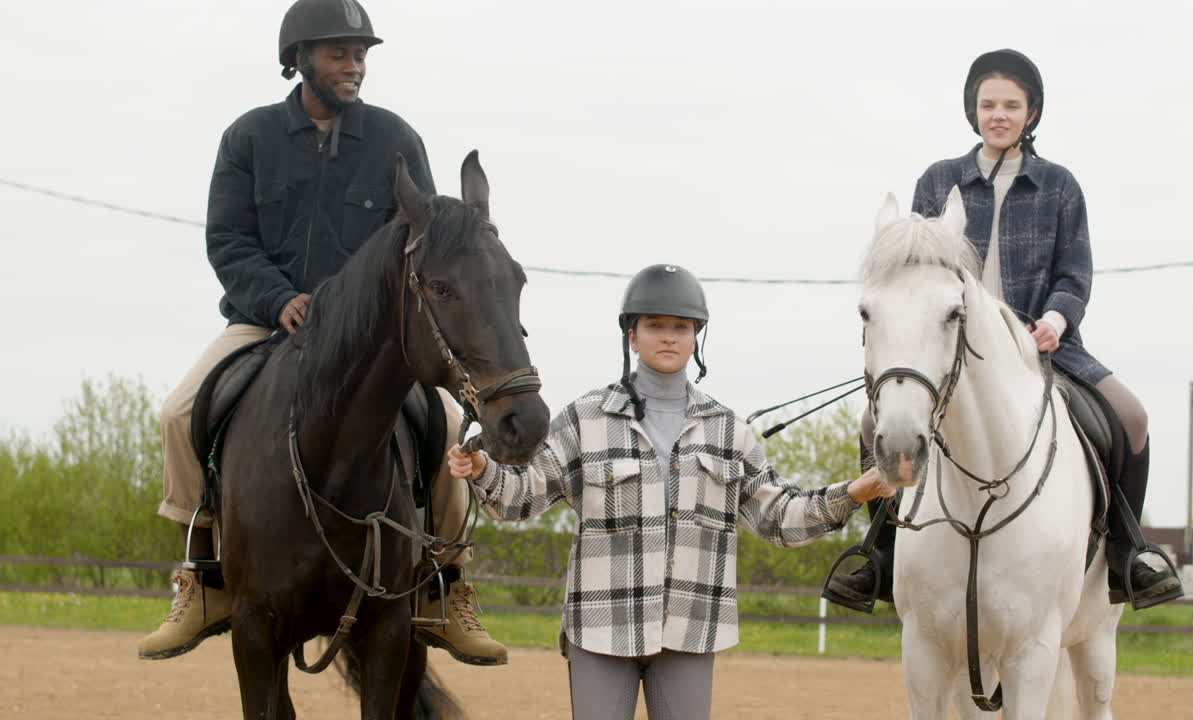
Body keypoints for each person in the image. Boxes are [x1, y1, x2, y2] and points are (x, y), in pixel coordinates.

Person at [137, 0, 507, 666]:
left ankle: (446, 587)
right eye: (340, 53)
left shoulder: (396, 140)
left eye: (361, 54)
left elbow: (417, 246)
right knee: (178, 413)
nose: (354, 65)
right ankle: (204, 580)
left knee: (445, 428)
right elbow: (228, 238)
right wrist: (278, 299)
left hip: (367, 343)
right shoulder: (247, 138)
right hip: (266, 322)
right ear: (299, 59)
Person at [447, 264, 895, 719]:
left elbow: (778, 517)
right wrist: (483, 470)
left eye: (680, 327)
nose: (668, 337)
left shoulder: (727, 430)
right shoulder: (586, 418)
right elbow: (523, 493)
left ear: (696, 336)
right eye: (655, 326)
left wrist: (856, 491)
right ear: (632, 336)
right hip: (602, 628)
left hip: (692, 630)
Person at [827, 48, 1184, 611]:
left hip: (1044, 347)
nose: (999, 114)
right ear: (974, 112)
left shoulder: (1059, 186)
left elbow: (1075, 271)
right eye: (988, 104)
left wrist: (1056, 319)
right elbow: (911, 272)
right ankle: (883, 552)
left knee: (1132, 416)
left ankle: (1125, 553)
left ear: (1031, 113)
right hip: (949, 352)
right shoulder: (938, 180)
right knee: (874, 419)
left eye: (1011, 105)